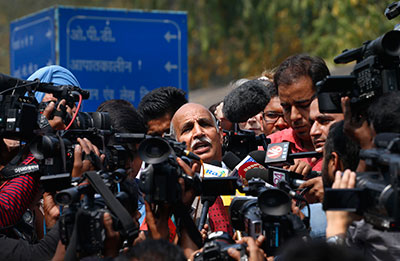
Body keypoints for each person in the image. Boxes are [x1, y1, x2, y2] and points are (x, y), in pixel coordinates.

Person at [170, 103, 233, 235]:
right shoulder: (173, 195)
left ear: (221, 134)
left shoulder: (244, 179)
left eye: (205, 124)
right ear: (175, 146)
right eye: (187, 129)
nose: (198, 133)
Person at [269, 54, 330, 171]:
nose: (294, 116)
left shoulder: (354, 142)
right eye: (286, 108)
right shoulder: (271, 146)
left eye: (303, 105)